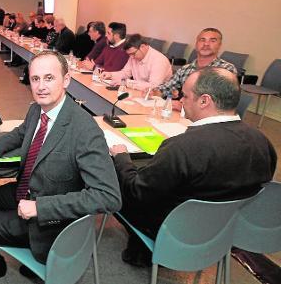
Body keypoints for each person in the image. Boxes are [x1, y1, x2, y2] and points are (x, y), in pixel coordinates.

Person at [0, 51, 122, 281]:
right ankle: (9, 248)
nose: (40, 86)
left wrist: (40, 208)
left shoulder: (85, 130)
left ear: (66, 80)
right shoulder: (37, 109)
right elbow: (21, 132)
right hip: (28, 190)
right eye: (35, 79)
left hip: (50, 218)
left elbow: (109, 197)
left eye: (49, 78)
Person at [109, 67, 276, 267]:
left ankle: (141, 251)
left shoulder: (181, 147)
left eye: (185, 96)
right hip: (223, 230)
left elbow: (137, 192)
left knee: (113, 181)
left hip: (172, 229)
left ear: (204, 101)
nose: (180, 100)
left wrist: (121, 158)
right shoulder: (263, 143)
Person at [156, 28, 237, 110]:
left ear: (219, 45)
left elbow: (219, 101)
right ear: (196, 44)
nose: (206, 44)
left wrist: (187, 107)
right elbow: (167, 88)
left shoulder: (226, 69)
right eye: (202, 40)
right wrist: (153, 92)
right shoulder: (185, 69)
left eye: (212, 41)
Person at [101, 34, 172, 91]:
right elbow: (126, 73)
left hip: (157, 98)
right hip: (138, 92)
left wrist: (127, 83)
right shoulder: (134, 56)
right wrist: (110, 75)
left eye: (133, 53)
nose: (131, 57)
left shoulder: (159, 60)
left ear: (143, 46)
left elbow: (153, 86)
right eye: (129, 54)